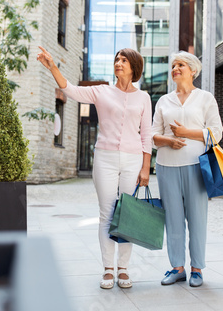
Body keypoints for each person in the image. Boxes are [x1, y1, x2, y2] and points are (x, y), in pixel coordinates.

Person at [37, 46, 152, 289]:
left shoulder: (143, 98)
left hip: (132, 160)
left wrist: (145, 168)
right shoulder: (102, 92)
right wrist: (52, 66)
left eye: (124, 60)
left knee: (128, 214)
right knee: (107, 213)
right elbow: (70, 90)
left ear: (134, 67)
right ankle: (108, 270)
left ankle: (123, 269)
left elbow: (147, 136)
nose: (118, 63)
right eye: (116, 59)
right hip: (105, 158)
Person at [151, 51, 223, 287]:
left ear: (193, 70)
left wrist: (185, 134)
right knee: (172, 219)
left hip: (196, 166)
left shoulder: (205, 98)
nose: (175, 68)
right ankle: (177, 268)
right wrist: (169, 140)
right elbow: (152, 136)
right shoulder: (164, 101)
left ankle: (197, 269)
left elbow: (216, 133)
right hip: (166, 166)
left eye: (181, 65)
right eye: (173, 65)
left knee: (197, 219)